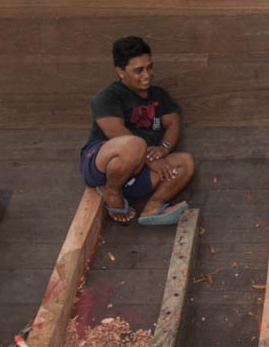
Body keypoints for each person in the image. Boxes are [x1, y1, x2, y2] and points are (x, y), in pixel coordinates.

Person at [79, 36, 195, 225]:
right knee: (134, 144)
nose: (147, 74)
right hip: (103, 165)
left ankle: (153, 207)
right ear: (120, 72)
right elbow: (115, 134)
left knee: (185, 162)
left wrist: (164, 149)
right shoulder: (108, 96)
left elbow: (173, 122)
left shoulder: (158, 95)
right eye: (138, 70)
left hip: (138, 172)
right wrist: (151, 161)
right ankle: (111, 191)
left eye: (149, 67)